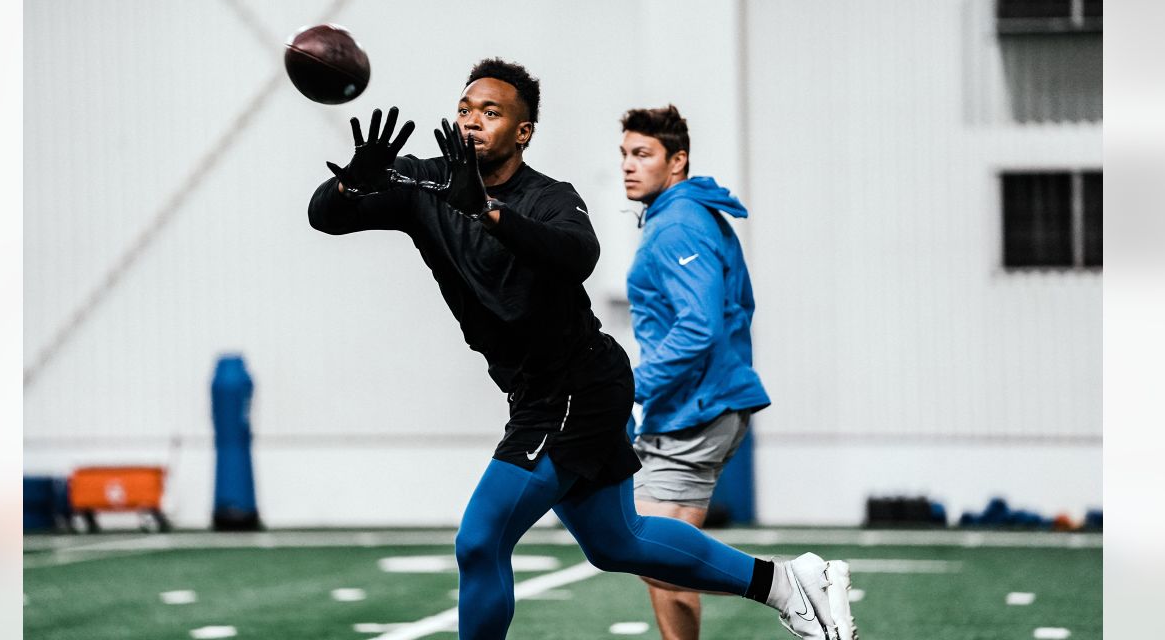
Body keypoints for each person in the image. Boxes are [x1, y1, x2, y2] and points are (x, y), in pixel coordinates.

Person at [308, 58, 853, 639]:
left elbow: (577, 255)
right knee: (619, 542)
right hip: (539, 391)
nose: (472, 121)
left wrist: (487, 212)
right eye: (465, 109)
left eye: (490, 113)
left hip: (575, 387)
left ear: (523, 132)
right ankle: (787, 583)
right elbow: (323, 217)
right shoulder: (425, 183)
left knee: (480, 538)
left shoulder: (547, 197)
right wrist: (352, 184)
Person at [619, 105, 857, 640]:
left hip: (697, 407)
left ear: (676, 161)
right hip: (693, 406)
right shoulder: (678, 216)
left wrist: (635, 386)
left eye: (643, 154)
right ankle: (791, 584)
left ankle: (794, 583)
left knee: (653, 552)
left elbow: (699, 324)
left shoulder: (679, 223)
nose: (629, 166)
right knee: (659, 562)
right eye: (625, 154)